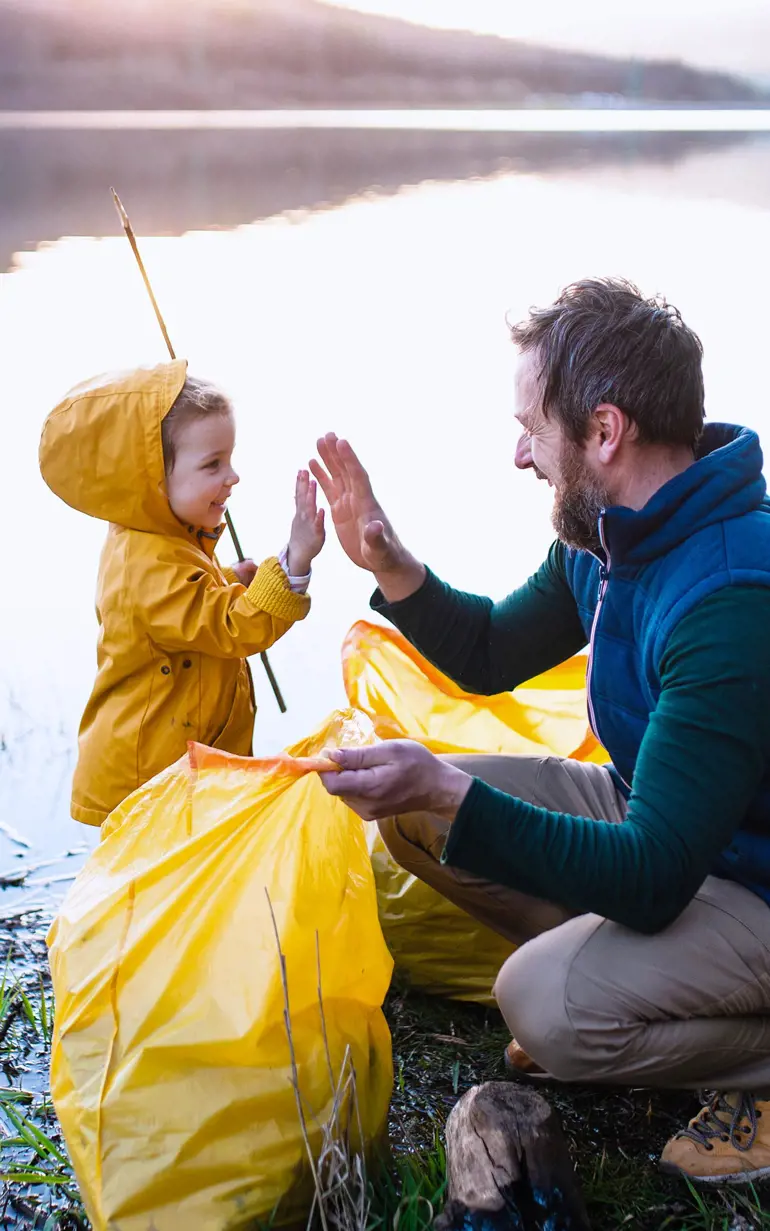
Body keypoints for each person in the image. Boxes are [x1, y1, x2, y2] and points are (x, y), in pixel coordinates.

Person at [310, 278, 770, 1185]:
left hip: (749, 876)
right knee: (415, 818)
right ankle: (630, 999)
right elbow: (488, 650)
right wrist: (389, 559)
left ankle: (706, 1048)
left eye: (533, 425)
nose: (521, 454)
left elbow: (651, 873)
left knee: (539, 1002)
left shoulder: (727, 595)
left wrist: (450, 787)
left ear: (605, 431)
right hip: (672, 828)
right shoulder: (612, 533)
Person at [40, 360, 324, 826]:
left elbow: (188, 611)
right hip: (149, 784)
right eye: (213, 464)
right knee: (157, 893)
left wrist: (229, 579)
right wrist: (294, 561)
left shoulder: (165, 534)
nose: (232, 476)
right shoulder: (150, 562)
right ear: (152, 478)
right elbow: (230, 628)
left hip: (180, 772)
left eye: (229, 458)